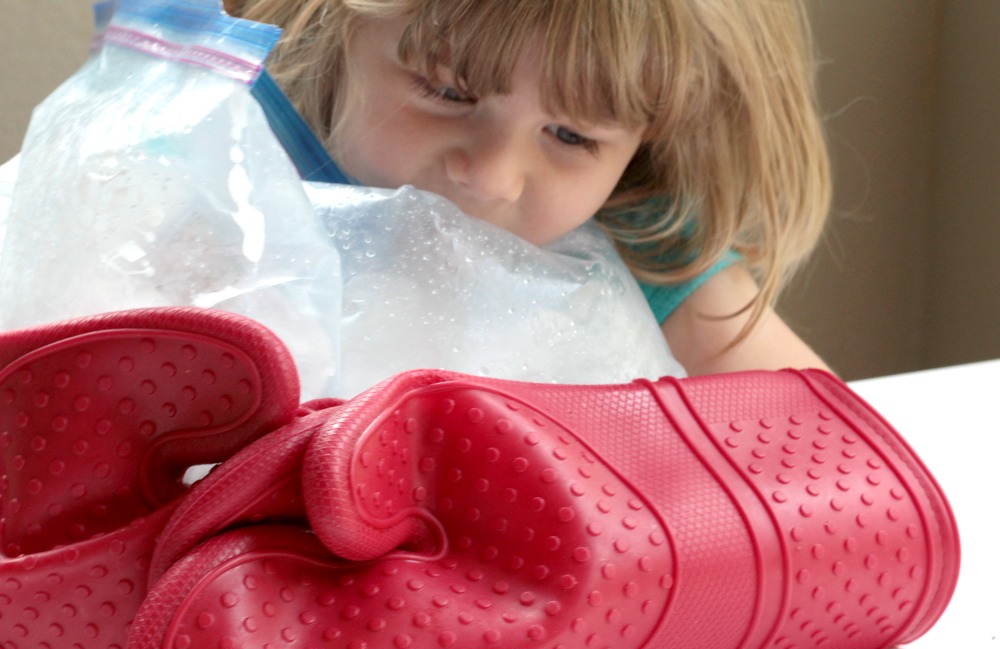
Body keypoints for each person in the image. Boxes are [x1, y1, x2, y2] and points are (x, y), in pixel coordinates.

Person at [226, 0, 833, 376]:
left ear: (644, 147)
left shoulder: (647, 253)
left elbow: (832, 468)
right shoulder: (229, 185)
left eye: (570, 135)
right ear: (335, 25)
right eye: (447, 92)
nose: (491, 176)